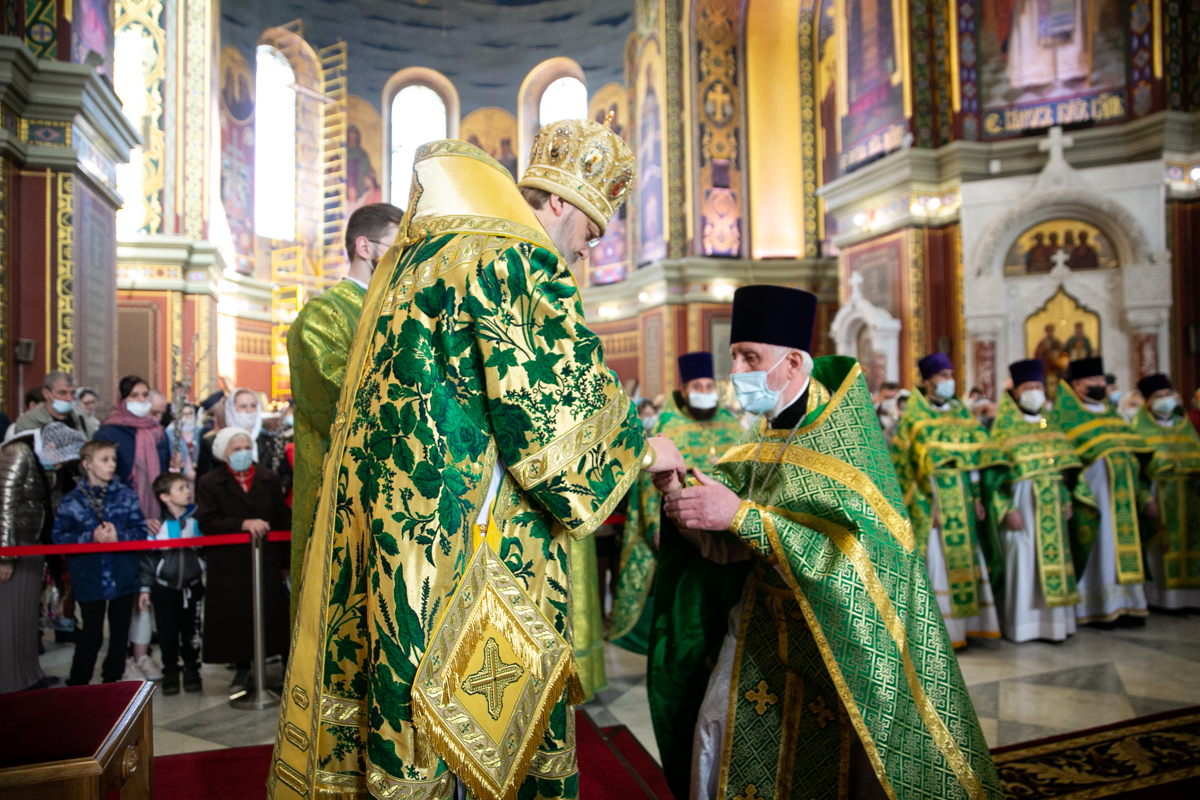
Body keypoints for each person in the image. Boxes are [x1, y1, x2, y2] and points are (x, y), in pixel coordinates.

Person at [269, 125, 687, 800]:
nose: (588, 249)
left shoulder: (425, 253)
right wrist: (643, 447)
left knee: (413, 715)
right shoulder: (514, 255)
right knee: (480, 746)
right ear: (557, 204)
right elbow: (553, 416)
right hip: (473, 550)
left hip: (406, 540)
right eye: (591, 229)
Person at [657, 286, 1000, 800]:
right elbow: (730, 545)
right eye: (735, 358)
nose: (738, 373)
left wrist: (742, 516)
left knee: (849, 762)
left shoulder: (846, 442)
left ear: (793, 363)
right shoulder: (757, 441)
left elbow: (863, 558)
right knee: (720, 728)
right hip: (760, 631)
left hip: (837, 642)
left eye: (751, 358)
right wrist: (683, 499)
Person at [287, 202, 404, 623]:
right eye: (396, 246)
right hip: (337, 492)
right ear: (364, 247)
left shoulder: (396, 311)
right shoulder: (323, 315)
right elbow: (335, 399)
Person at [610, 351, 743, 656]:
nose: (706, 393)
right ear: (684, 390)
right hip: (682, 525)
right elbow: (648, 482)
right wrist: (657, 525)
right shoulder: (667, 424)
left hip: (726, 527)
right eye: (699, 387)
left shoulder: (732, 425)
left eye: (710, 387)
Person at [891, 352, 1002, 648]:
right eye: (943, 377)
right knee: (938, 565)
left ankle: (970, 628)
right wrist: (927, 506)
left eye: (951, 376)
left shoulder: (961, 414)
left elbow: (974, 457)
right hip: (935, 499)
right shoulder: (914, 417)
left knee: (967, 559)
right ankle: (943, 634)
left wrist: (977, 497)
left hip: (962, 497)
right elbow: (905, 468)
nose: (949, 382)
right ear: (928, 381)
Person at [981, 359, 1087, 643]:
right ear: (1015, 393)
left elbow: (1062, 470)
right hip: (1022, 507)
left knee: (1053, 565)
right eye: (1029, 387)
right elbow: (994, 478)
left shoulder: (1046, 423)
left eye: (1039, 386)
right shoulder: (1004, 428)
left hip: (1051, 506)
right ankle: (1022, 626)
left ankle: (1055, 625)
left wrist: (1065, 499)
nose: (1035, 392)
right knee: (1023, 564)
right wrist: (1006, 509)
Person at [1051, 357, 1151, 625]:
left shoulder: (1112, 416)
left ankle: (1130, 604)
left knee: (1122, 550)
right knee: (1100, 551)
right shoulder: (1064, 418)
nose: (1100, 385)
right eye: (1093, 381)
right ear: (1077, 385)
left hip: (1124, 501)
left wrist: (1144, 494)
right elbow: (1060, 461)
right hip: (1091, 502)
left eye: (1101, 380)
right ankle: (1096, 607)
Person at [196, 427, 291, 692]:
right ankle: (242, 668)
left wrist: (286, 564)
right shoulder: (209, 481)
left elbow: (281, 519)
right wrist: (242, 524)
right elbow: (207, 521)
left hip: (267, 560)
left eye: (246, 447)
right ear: (223, 453)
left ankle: (283, 666)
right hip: (230, 564)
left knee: (273, 615)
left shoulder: (268, 477)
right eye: (236, 449)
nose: (243, 453)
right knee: (236, 616)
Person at [93, 375, 173, 680]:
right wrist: (137, 517)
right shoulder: (110, 430)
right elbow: (108, 482)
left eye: (145, 395)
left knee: (147, 591)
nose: (141, 401)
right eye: (135, 396)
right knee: (125, 592)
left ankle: (142, 654)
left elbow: (162, 477)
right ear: (122, 398)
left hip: (157, 519)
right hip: (125, 521)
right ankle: (122, 654)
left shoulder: (157, 432)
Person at [52, 440, 149, 685]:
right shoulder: (72, 500)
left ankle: (112, 679)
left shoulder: (125, 495)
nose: (111, 465)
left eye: (113, 460)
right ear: (87, 464)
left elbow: (140, 531)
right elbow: (60, 537)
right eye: (104, 460)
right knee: (92, 634)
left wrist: (120, 536)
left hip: (123, 574)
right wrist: (90, 537)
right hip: (89, 576)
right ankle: (78, 683)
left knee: (119, 633)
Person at [1131, 373, 1200, 610]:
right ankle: (1161, 600)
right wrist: (1146, 498)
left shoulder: (1185, 426)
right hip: (1158, 492)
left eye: (1168, 394)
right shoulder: (1139, 429)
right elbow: (1136, 471)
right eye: (1158, 396)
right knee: (1160, 549)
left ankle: (1190, 599)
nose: (1164, 399)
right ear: (1147, 402)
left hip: (1189, 495)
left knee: (1191, 543)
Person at [0, 429, 56, 692]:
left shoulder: (38, 459)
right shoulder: (18, 452)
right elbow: (4, 505)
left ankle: (29, 674)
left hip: (32, 543)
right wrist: (5, 555)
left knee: (27, 618)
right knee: (11, 616)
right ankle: (11, 680)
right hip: (15, 545)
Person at [141, 472, 206, 695]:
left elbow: (205, 551)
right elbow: (149, 559)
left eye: (187, 487)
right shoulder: (156, 526)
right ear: (164, 497)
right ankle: (170, 670)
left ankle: (192, 670)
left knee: (192, 632)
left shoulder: (197, 521)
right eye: (180, 488)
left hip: (192, 587)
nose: (188, 491)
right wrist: (145, 587)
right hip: (164, 589)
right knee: (167, 632)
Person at [222, 389, 291, 495]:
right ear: (232, 409)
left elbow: (286, 473)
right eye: (243, 406)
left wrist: (281, 488)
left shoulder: (271, 440)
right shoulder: (220, 441)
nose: (249, 410)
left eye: (253, 406)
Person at [14, 371, 89, 435]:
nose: (69, 398)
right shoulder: (29, 421)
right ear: (46, 394)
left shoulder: (80, 420)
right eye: (62, 393)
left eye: (72, 393)